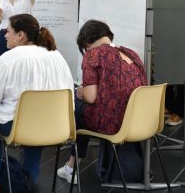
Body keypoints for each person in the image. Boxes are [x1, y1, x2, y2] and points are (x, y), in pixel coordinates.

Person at [0, 14, 74, 191]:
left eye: (8, 31)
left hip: (17, 127)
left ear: (20, 35)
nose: (5, 35)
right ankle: (29, 181)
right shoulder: (57, 56)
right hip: (56, 127)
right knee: (35, 127)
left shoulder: (8, 59)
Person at [56, 20, 147, 185]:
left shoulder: (94, 55)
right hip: (140, 121)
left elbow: (91, 97)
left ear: (86, 43)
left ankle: (71, 167)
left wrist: (81, 91)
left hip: (113, 123)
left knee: (78, 105)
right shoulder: (131, 54)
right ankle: (71, 167)